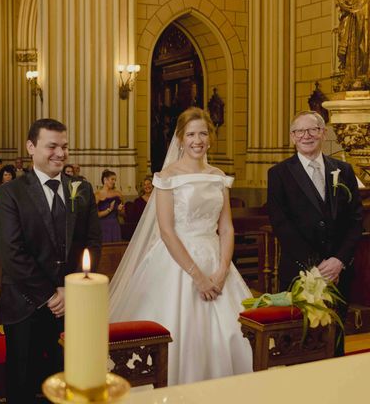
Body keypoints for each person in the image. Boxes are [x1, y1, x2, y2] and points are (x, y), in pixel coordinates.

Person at [109, 107, 252, 385]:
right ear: (180, 139)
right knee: (177, 335)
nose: (197, 140)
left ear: (210, 137)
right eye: (191, 134)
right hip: (176, 262)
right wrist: (197, 277)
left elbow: (226, 227)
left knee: (231, 332)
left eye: (203, 133)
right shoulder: (167, 176)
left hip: (215, 259)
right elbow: (166, 230)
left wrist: (222, 270)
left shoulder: (218, 175)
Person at [0, 118, 102, 404]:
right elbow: (12, 252)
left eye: (64, 146)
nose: (60, 153)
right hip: (25, 303)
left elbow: (91, 243)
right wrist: (51, 294)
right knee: (23, 382)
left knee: (70, 379)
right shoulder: (11, 193)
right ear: (31, 147)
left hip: (72, 304)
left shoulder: (82, 188)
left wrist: (73, 288)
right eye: (52, 146)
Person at [267, 110, 362, 355]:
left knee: (335, 342)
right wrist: (317, 267)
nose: (306, 135)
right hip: (299, 272)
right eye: (300, 131)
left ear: (322, 132)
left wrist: (338, 261)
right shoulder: (278, 174)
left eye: (312, 130)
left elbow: (355, 220)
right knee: (298, 342)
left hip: (339, 273)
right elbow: (282, 225)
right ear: (292, 137)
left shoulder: (343, 170)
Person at [96, 170, 124, 242]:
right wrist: (109, 209)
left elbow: (123, 213)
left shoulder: (118, 194)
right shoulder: (97, 195)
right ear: (105, 180)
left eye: (115, 180)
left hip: (115, 224)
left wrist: (119, 210)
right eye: (112, 179)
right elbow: (97, 215)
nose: (114, 182)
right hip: (103, 225)